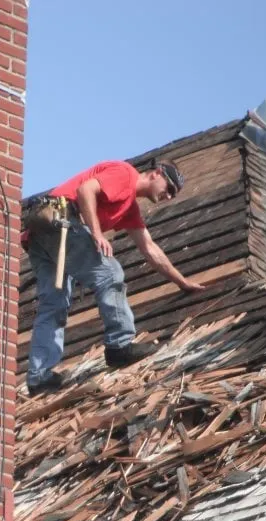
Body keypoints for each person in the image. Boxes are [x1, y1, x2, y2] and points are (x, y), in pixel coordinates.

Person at [23, 160, 205, 396]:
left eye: (174, 195)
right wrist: (97, 234)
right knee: (111, 273)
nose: (169, 196)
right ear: (156, 174)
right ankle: (119, 345)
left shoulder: (130, 209)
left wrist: (182, 282)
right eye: (169, 188)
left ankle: (39, 378)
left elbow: (150, 248)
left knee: (53, 304)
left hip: (40, 234)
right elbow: (85, 189)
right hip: (60, 221)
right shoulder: (125, 175)